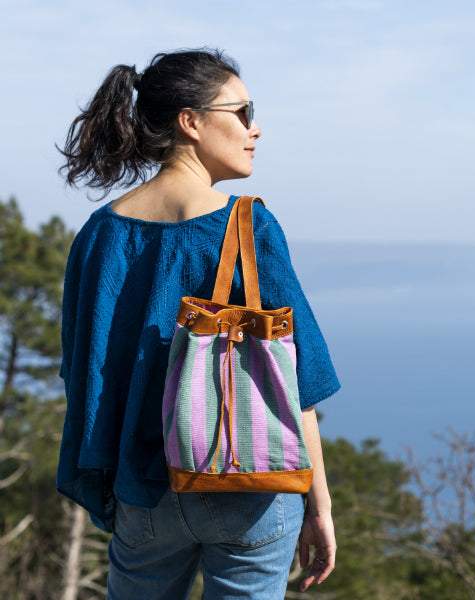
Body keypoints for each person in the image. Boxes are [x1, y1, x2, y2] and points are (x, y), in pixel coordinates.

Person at [57, 49, 340, 599]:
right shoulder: (249, 225)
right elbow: (296, 382)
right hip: (250, 486)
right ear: (191, 121)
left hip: (144, 492)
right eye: (242, 111)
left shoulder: (99, 234)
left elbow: (83, 372)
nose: (256, 128)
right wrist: (319, 505)